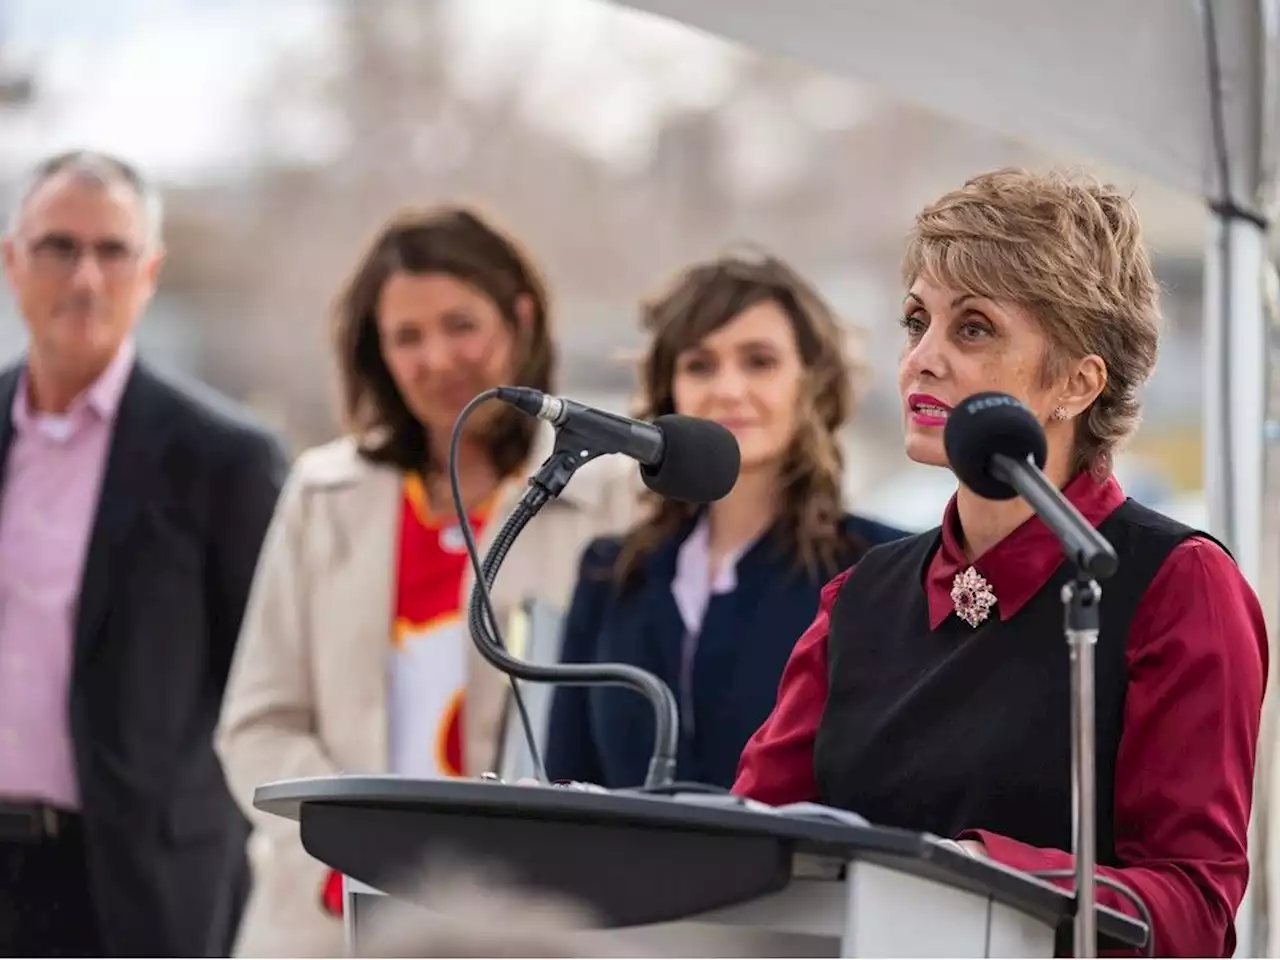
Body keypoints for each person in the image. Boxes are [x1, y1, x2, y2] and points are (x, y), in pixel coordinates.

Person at [733, 169, 1267, 957]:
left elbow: (1194, 910)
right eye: (916, 321)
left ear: (1078, 382)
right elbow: (751, 843)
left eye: (973, 328)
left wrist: (978, 877)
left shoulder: (1177, 584)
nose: (922, 357)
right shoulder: (859, 596)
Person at [216, 205, 634, 957]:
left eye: (459, 324)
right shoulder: (322, 495)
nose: (437, 359)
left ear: (521, 317)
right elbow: (257, 726)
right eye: (407, 337)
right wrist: (355, 841)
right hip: (323, 923)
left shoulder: (609, 496)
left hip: (528, 922)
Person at [0, 150, 287, 956]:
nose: (85, 276)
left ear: (149, 271)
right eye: (58, 246)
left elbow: (264, 686)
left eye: (112, 250)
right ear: (11, 261)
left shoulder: (226, 459)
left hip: (143, 891)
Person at [545, 252, 906, 790]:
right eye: (700, 365)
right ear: (670, 391)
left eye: (758, 361)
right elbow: (565, 785)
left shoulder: (881, 573)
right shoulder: (610, 573)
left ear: (812, 383)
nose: (728, 390)